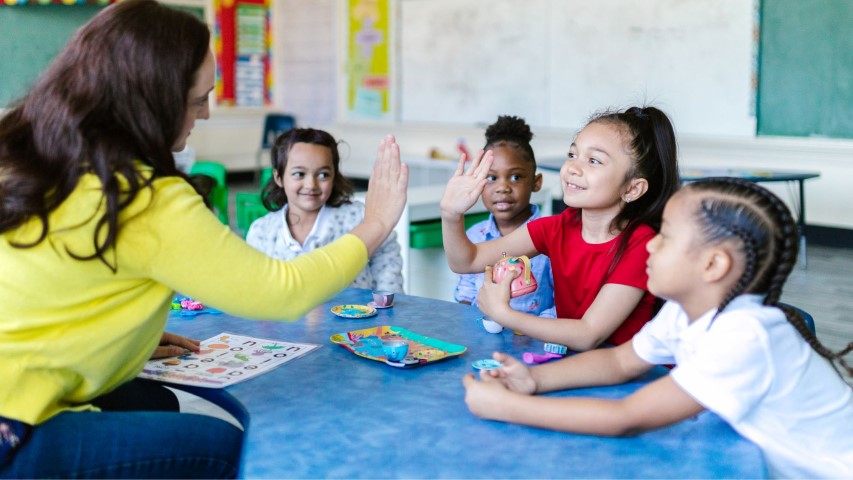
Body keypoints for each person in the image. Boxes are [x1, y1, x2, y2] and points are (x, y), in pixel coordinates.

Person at [0, 1, 408, 478]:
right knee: (219, 445)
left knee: (150, 400)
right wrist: (376, 220)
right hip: (12, 426)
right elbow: (282, 291)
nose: (208, 113)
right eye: (197, 100)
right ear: (150, 99)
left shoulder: (36, 156)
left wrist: (121, 339)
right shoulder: (141, 195)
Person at [462, 178, 853, 478]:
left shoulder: (744, 335)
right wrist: (534, 379)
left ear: (713, 266)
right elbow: (618, 362)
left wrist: (509, 407)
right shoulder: (685, 314)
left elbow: (626, 418)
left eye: (665, 237)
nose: (649, 245)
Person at [441, 106, 680, 350]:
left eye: (594, 160)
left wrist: (505, 315)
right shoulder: (557, 227)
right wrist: (451, 215)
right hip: (572, 363)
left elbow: (589, 333)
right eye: (572, 154)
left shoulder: (642, 245)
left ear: (632, 189)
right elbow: (467, 261)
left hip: (625, 378)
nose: (573, 168)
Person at [246, 128, 404, 293]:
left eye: (323, 175)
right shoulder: (261, 232)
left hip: (357, 318)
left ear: (334, 176)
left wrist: (386, 312)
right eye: (299, 174)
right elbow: (256, 292)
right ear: (279, 177)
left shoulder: (362, 219)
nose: (311, 185)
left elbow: (388, 272)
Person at [453, 115, 555, 318]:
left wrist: (532, 332)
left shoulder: (552, 239)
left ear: (536, 182)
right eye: (491, 178)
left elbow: (563, 306)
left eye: (515, 177)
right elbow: (466, 294)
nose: (502, 188)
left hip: (533, 341)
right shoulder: (474, 235)